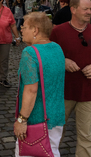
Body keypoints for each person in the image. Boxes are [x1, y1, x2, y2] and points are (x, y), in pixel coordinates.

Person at [50, 0, 91, 157]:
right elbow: (47, 57)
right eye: (86, 9)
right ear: (73, 10)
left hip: (88, 92)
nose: (90, 12)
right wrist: (63, 61)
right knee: (55, 135)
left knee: (85, 136)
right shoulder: (57, 32)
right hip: (62, 92)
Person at [14, 12, 65, 157]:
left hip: (37, 118)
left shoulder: (30, 52)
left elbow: (31, 90)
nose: (21, 30)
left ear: (35, 30)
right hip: (56, 115)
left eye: (24, 27)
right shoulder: (57, 48)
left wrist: (22, 120)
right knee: (52, 151)